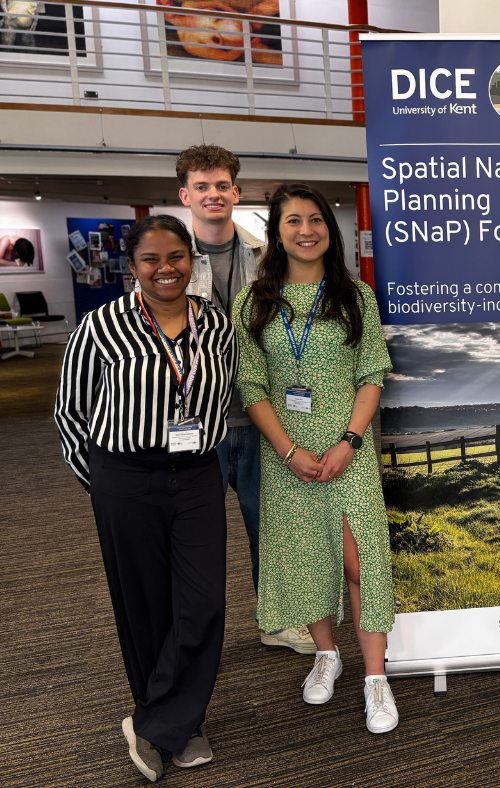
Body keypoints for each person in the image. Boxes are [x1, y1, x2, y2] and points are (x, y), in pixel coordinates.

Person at [54, 215, 238, 781]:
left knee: (203, 603)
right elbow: (70, 412)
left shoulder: (217, 327)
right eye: (152, 260)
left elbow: (220, 400)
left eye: (177, 257)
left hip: (198, 475)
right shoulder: (101, 326)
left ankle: (155, 722)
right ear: (132, 268)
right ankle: (181, 723)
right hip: (125, 477)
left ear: (192, 261)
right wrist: (104, 486)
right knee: (145, 606)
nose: (166, 269)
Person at [233, 183, 398, 733]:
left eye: (316, 220)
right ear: (276, 233)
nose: (306, 230)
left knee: (359, 562)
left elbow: (372, 374)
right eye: (293, 221)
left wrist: (349, 443)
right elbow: (251, 384)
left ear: (330, 228)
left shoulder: (356, 296)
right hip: (288, 457)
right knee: (307, 561)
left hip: (346, 452)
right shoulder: (252, 303)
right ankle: (327, 654)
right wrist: (288, 450)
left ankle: (376, 678)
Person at [176, 143, 315, 655]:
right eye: (202, 186)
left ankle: (276, 620)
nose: (213, 194)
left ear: (235, 192)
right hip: (197, 421)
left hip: (265, 418)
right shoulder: (170, 260)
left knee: (271, 528)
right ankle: (198, 636)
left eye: (221, 186)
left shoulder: (269, 258)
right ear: (185, 194)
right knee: (197, 538)